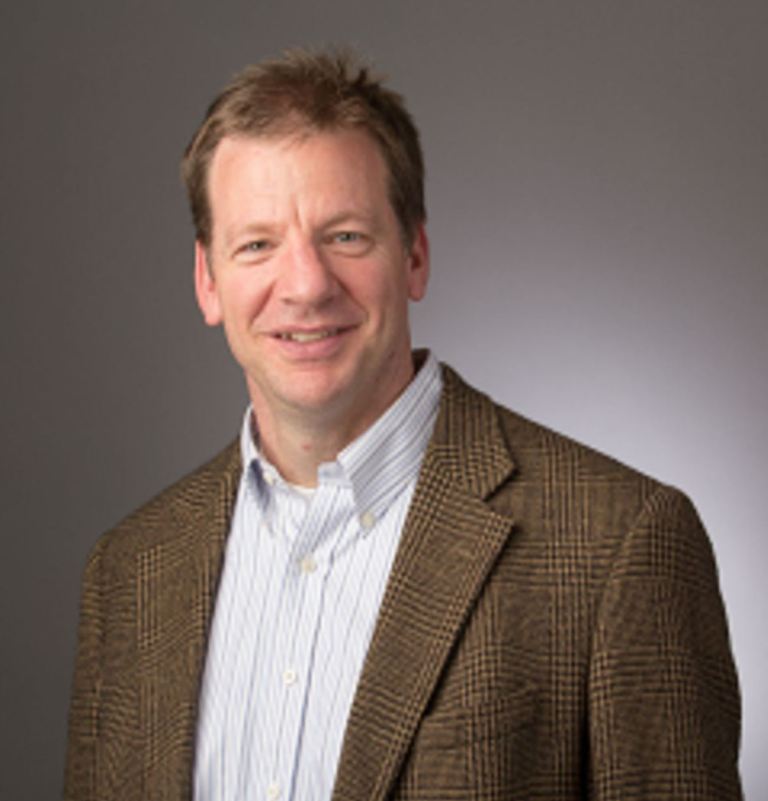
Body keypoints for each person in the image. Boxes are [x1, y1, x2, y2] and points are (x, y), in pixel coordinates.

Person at [63, 49, 743, 801]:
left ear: (414, 255)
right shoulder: (130, 571)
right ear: (208, 280)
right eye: (257, 244)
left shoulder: (620, 543)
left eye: (346, 236)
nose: (306, 285)